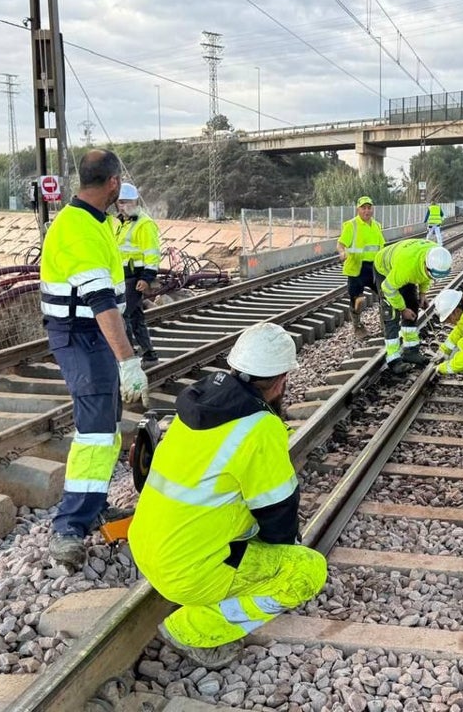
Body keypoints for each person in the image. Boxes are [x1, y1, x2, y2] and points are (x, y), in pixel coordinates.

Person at [129, 323, 327, 669]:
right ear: (281, 381)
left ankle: (207, 582)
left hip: (146, 549)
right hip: (188, 574)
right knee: (308, 572)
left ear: (234, 367)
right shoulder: (259, 426)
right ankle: (191, 629)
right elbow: (278, 510)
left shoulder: (197, 403)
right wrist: (283, 555)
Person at [40, 149, 149, 569]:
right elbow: (101, 301)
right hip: (82, 335)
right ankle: (68, 527)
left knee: (105, 425)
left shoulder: (93, 221)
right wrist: (127, 360)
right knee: (95, 432)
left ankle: (94, 505)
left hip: (92, 333)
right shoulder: (79, 229)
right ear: (113, 183)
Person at [374, 239, 452, 375]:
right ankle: (393, 360)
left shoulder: (435, 254)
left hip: (405, 261)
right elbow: (388, 288)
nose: (431, 277)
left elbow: (426, 276)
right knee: (391, 313)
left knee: (413, 304)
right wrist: (402, 309)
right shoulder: (407, 268)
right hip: (385, 269)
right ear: (425, 265)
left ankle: (410, 352)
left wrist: (422, 293)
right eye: (431, 274)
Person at [114, 183, 162, 364]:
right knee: (135, 316)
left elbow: (152, 253)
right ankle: (149, 354)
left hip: (134, 278)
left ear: (134, 201)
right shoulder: (120, 222)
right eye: (119, 202)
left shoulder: (144, 224)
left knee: (122, 315)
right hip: (122, 277)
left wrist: (147, 278)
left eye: (125, 202)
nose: (121, 206)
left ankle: (128, 355)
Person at [336, 196, 385, 336]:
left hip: (374, 268)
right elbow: (340, 244)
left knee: (385, 294)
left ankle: (385, 324)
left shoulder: (376, 225)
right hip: (356, 268)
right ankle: (357, 327)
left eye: (369, 208)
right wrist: (342, 252)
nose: (367, 211)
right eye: (363, 208)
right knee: (357, 300)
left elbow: (381, 246)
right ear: (358, 209)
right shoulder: (351, 225)